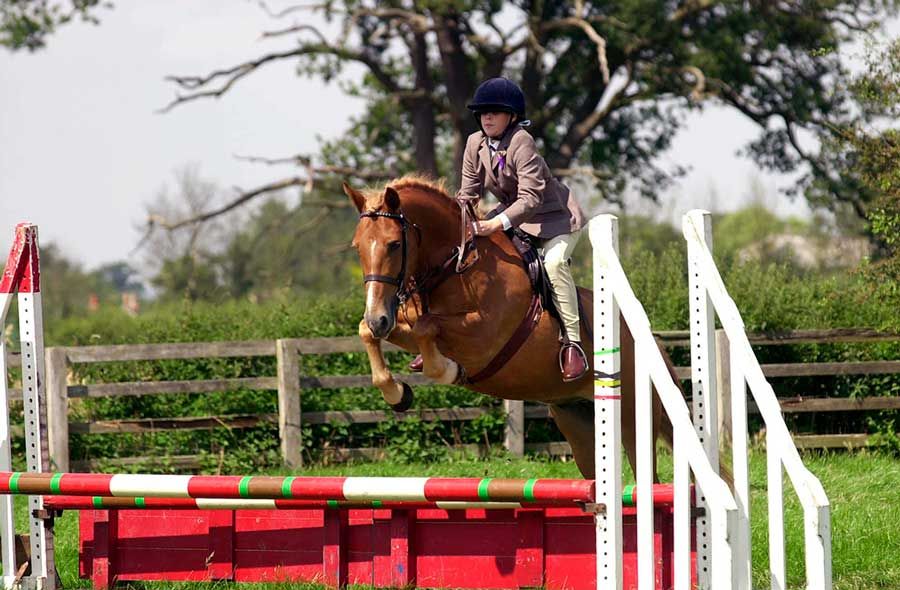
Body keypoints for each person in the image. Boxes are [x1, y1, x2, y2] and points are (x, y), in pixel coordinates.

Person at [412, 77, 589, 382]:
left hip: (553, 218)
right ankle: (440, 337)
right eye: (482, 112)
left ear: (512, 116)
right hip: (512, 214)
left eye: (494, 111)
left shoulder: (522, 142)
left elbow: (531, 198)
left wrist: (494, 223)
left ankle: (573, 343)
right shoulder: (474, 143)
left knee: (555, 264)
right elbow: (468, 193)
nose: (487, 117)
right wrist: (461, 224)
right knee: (465, 256)